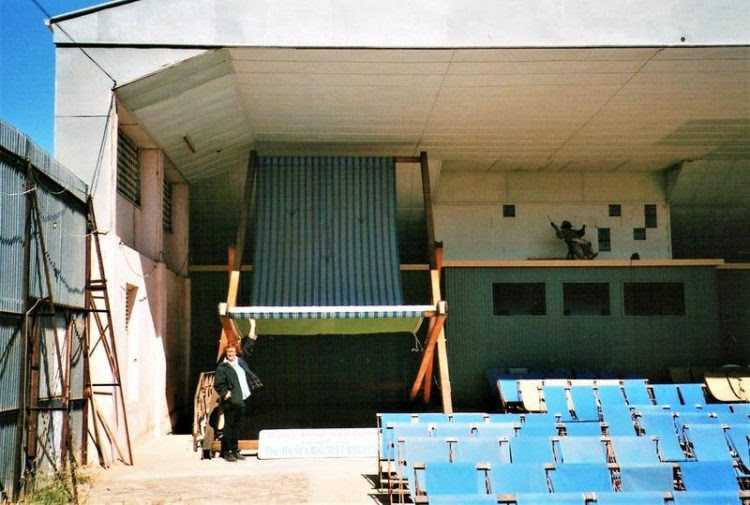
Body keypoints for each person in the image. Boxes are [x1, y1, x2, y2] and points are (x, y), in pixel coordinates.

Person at [213, 329, 259, 462]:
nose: (230, 354)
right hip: (231, 401)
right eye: (228, 352)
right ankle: (227, 451)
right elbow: (218, 384)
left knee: (236, 426)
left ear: (235, 352)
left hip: (242, 399)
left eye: (232, 352)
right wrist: (225, 393)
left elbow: (248, 348)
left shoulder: (240, 362)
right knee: (229, 426)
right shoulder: (223, 367)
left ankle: (235, 449)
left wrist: (252, 328)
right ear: (226, 354)